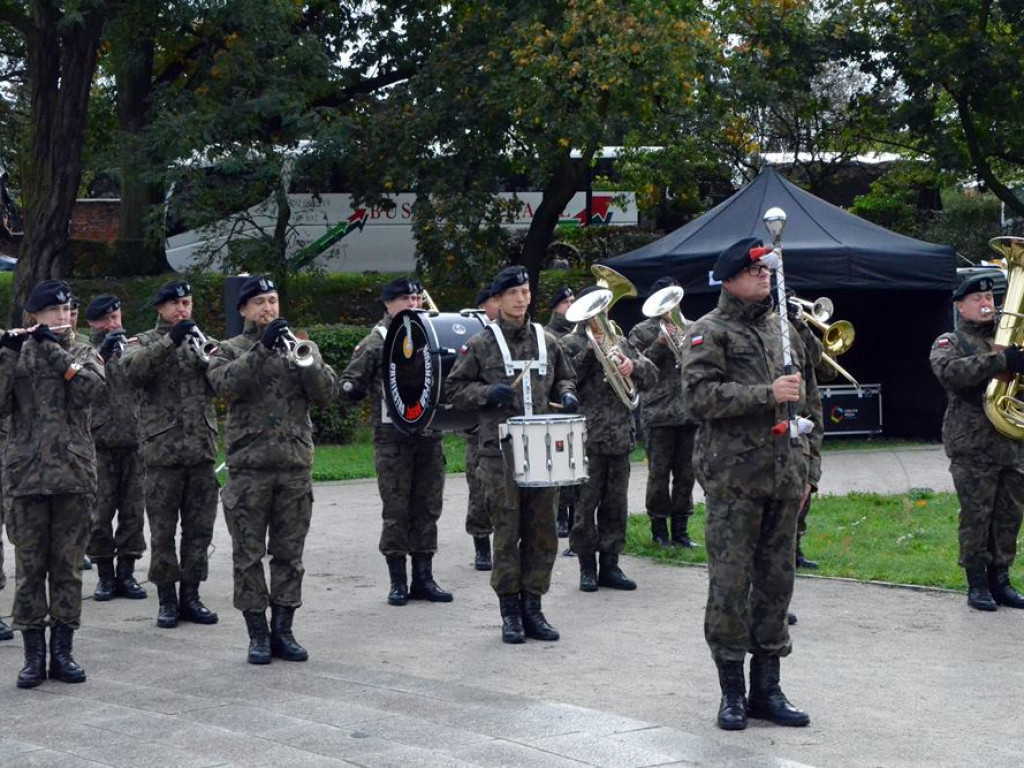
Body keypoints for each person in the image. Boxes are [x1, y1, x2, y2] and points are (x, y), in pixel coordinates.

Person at [679, 238, 821, 730]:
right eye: (756, 271)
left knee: (776, 587)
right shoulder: (707, 332)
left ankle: (768, 688)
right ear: (732, 276)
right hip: (734, 481)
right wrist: (766, 394)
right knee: (731, 586)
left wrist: (810, 472)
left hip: (785, 478)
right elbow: (697, 399)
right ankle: (731, 692)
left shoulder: (785, 330)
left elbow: (810, 406)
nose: (765, 277)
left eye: (768, 271)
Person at [208, 275, 338, 664]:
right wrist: (261, 350)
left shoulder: (301, 346)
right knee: (247, 557)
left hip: (294, 467)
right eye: (260, 302)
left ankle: (284, 628)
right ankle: (257, 634)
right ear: (244, 310)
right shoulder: (228, 350)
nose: (269, 309)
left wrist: (306, 362)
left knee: (289, 555)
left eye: (274, 301)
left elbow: (328, 393)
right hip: (248, 471)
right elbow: (223, 386)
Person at [446, 266, 578, 644]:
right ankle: (510, 613)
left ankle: (533, 607)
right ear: (498, 300)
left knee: (543, 532)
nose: (521, 298)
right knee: (507, 532)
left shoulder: (547, 340)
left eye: (525, 291)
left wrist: (567, 393)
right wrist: (487, 394)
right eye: (513, 293)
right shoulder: (481, 344)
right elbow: (455, 390)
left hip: (542, 446)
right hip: (499, 452)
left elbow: (564, 376)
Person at [0, 280, 105, 687]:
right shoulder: (15, 351)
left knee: (67, 570)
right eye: (54, 312)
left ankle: (63, 651)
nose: (63, 317)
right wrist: (9, 355)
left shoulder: (80, 349)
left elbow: (90, 390)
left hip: (73, 476)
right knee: (30, 570)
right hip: (26, 477)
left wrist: (54, 349)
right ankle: (33, 655)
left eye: (67, 311)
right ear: (34, 316)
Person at [339, 277, 451, 606]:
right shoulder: (378, 341)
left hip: (429, 437)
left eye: (416, 298)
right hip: (393, 441)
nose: (413, 304)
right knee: (397, 511)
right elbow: (348, 383)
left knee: (428, 508)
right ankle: (398, 581)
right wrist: (355, 389)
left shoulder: (431, 335)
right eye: (404, 299)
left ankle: (424, 577)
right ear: (387, 304)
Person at [121, 280, 219, 629]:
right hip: (162, 453)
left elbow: (224, 383)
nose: (182, 310)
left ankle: (191, 596)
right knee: (163, 531)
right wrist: (169, 340)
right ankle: (166, 599)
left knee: (199, 531)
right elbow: (133, 373)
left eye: (187, 303)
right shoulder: (143, 342)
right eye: (175, 304)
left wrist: (210, 355)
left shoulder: (203, 342)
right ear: (160, 309)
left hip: (201, 451)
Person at [930, 273, 1024, 612]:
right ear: (960, 306)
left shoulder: (1010, 339)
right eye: (978, 300)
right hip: (972, 444)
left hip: (1011, 442)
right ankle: (977, 583)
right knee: (977, 515)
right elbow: (951, 374)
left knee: (1009, 516)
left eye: (991, 299)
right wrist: (1001, 361)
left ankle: (1002, 580)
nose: (987, 304)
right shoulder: (950, 341)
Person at [568, 285, 657, 591]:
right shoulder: (569, 343)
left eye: (603, 308)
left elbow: (652, 374)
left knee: (615, 506)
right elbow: (563, 379)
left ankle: (611, 565)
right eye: (594, 309)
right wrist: (588, 354)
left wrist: (635, 365)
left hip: (619, 436)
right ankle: (586, 568)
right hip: (587, 438)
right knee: (584, 506)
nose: (600, 315)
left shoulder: (618, 341)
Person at [84, 295, 147, 602]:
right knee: (99, 515)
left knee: (133, 513)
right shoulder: (85, 349)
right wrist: (103, 354)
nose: (112, 323)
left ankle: (127, 573)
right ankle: (105, 575)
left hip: (135, 441)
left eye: (116, 317)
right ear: (92, 323)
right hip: (99, 443)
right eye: (105, 319)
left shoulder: (134, 348)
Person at [629, 276, 700, 549]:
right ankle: (659, 528)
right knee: (658, 474)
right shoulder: (641, 331)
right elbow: (637, 367)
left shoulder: (693, 327)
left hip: (689, 411)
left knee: (686, 474)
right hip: (658, 413)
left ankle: (681, 529)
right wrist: (659, 344)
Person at [465, 285, 500, 571]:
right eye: (494, 301)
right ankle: (481, 544)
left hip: (512, 429)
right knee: (479, 491)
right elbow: (458, 386)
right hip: (479, 429)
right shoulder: (475, 339)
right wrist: (486, 394)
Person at [545, 286, 576, 538]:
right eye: (566, 302)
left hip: (582, 408)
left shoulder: (582, 332)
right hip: (556, 410)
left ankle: (576, 515)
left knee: (578, 468)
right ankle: (561, 515)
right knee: (560, 468)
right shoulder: (547, 335)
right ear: (555, 307)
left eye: (574, 301)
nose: (571, 305)